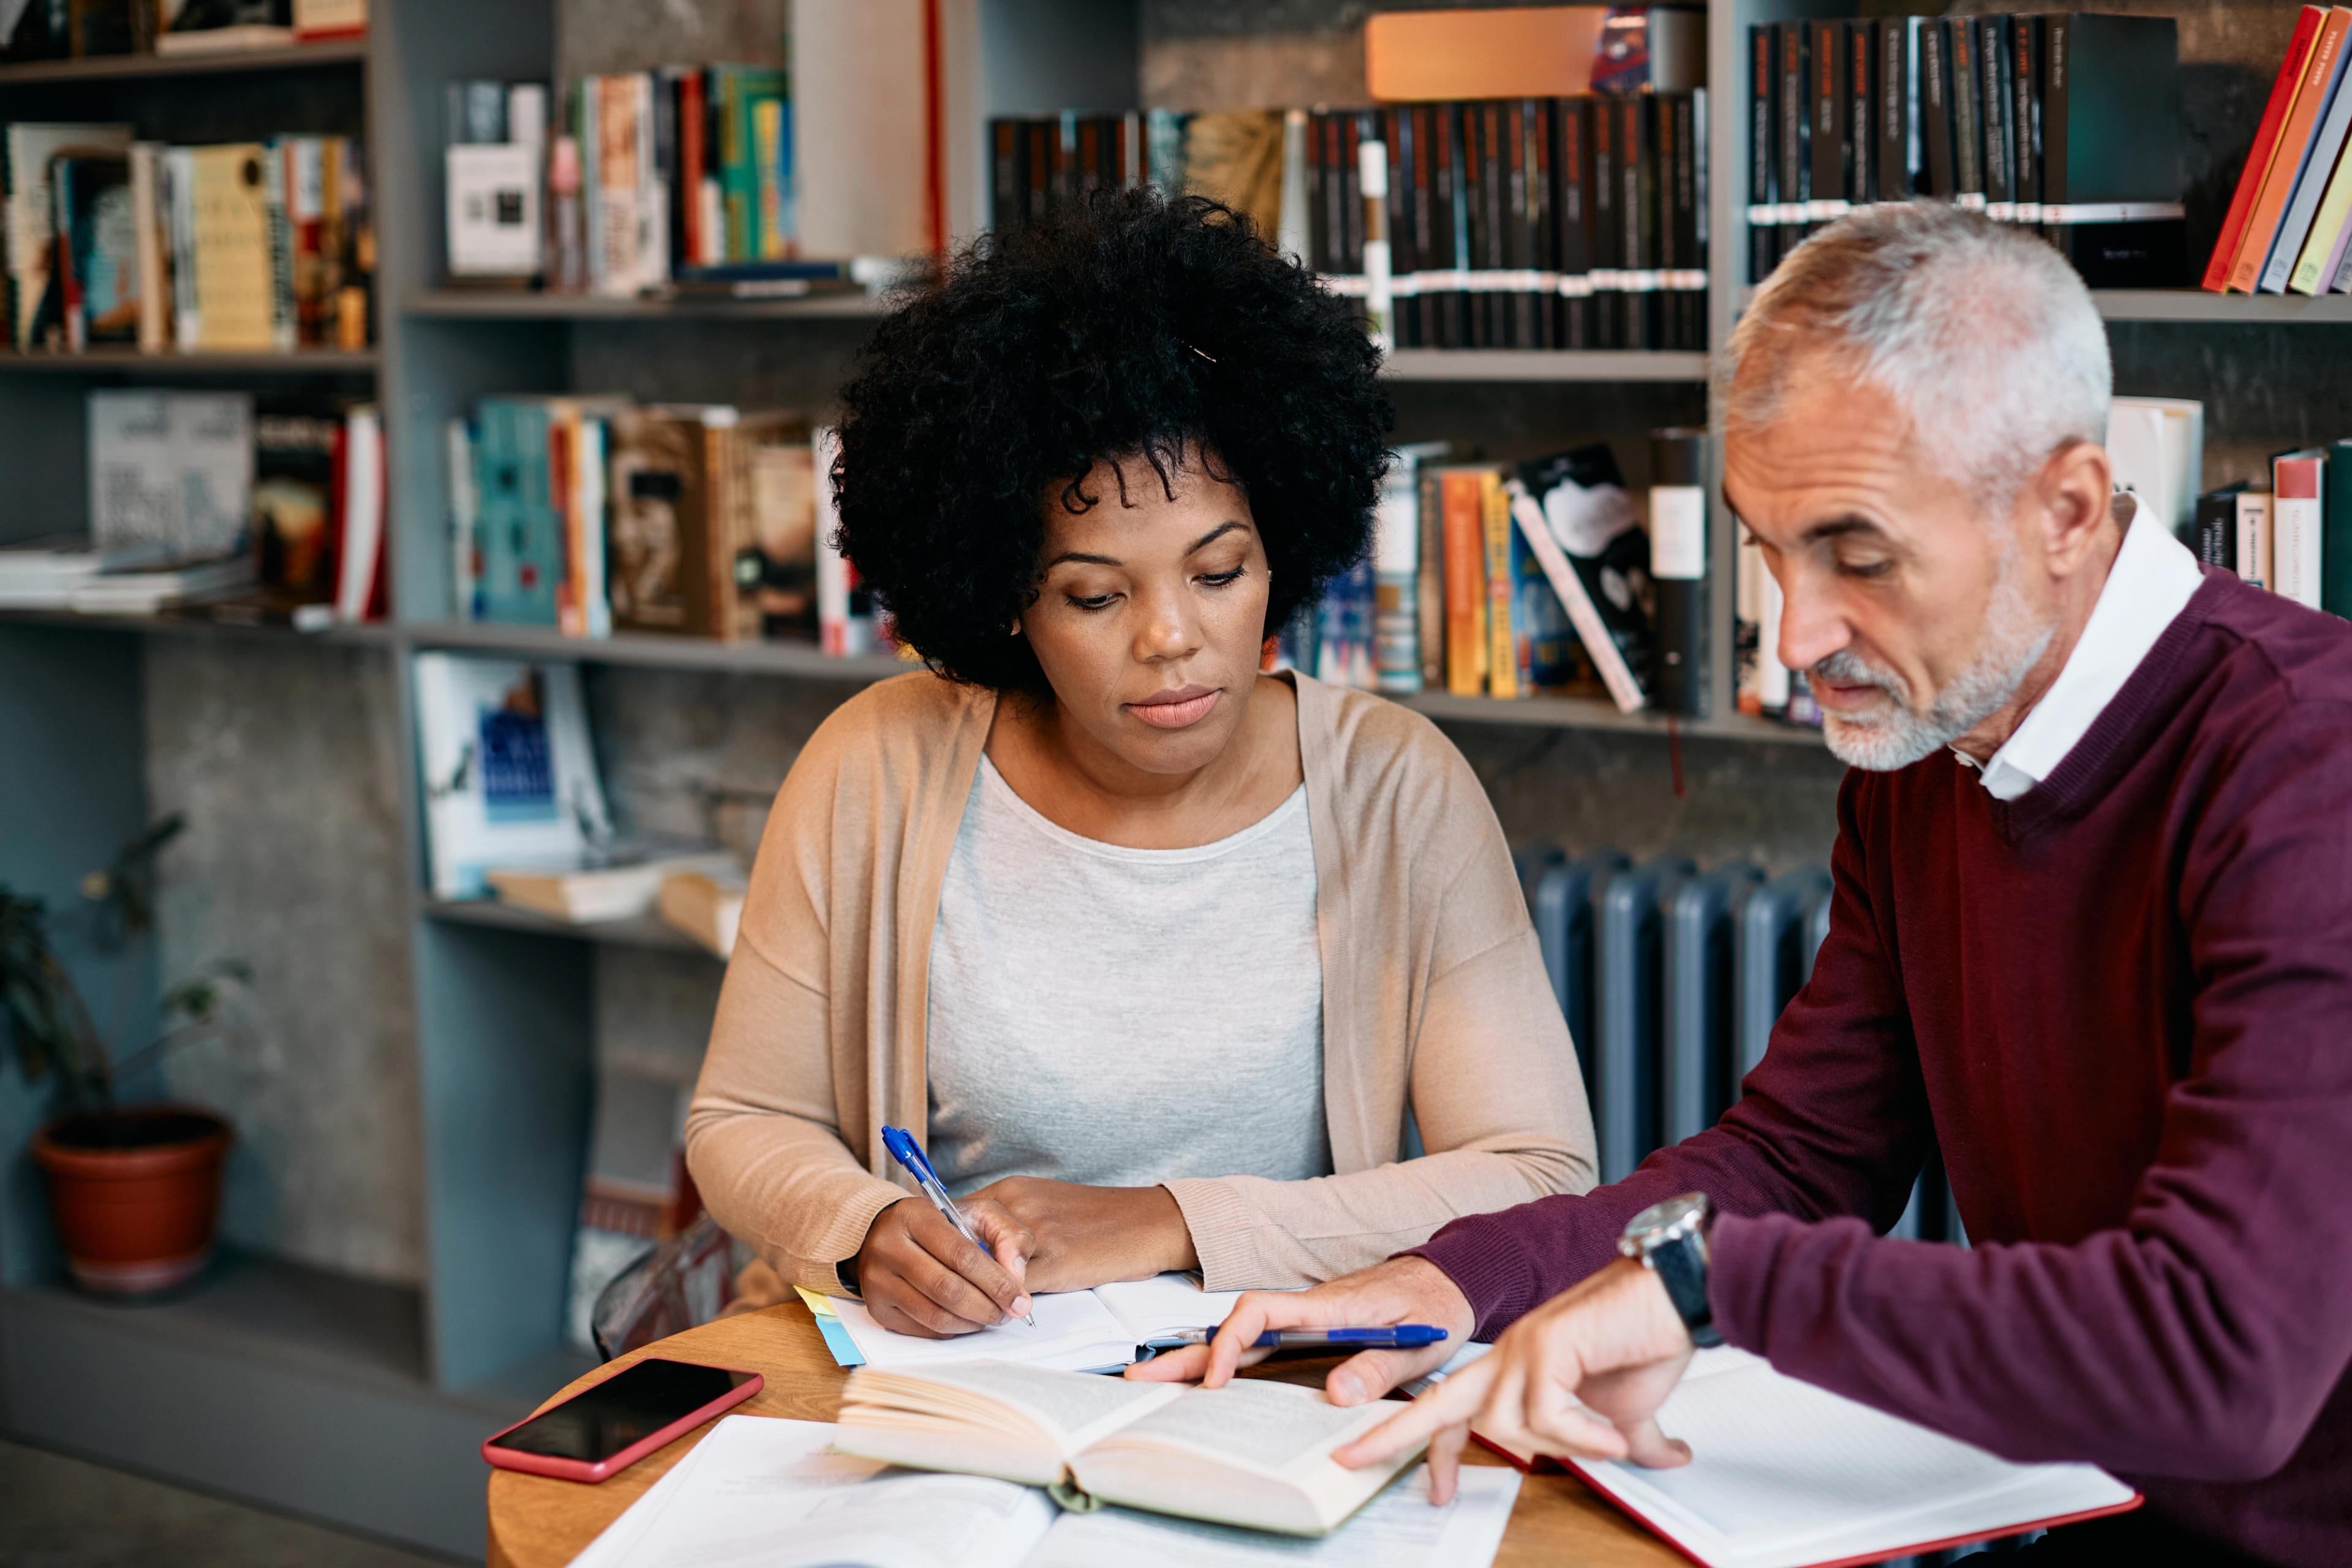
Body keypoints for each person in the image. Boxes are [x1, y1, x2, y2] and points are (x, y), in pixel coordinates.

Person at [1140, 203, 2352, 1566]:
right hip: (2102, 1507)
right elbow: (1799, 1156)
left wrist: (1708, 1278)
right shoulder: (1926, 753)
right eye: (1769, 548)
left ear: (2066, 508)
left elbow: (2226, 1359)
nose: (1795, 638)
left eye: (1860, 556)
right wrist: (1456, 1276)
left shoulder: (2313, 768)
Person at [684, 189, 1596, 1341]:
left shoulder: (1396, 789)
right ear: (1008, 600)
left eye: (1219, 574)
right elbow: (741, 1119)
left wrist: (1161, 1219)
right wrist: (865, 1228)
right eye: (1095, 595)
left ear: (1283, 551)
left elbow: (1540, 1173)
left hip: (1260, 1379)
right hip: (956, 1382)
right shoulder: (878, 767)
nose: (1171, 638)